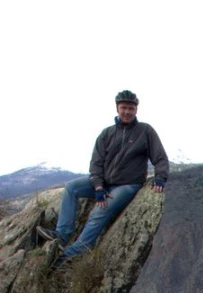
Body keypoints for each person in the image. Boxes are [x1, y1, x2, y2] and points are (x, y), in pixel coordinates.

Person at [37, 90, 169, 262]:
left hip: (128, 185)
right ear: (117, 108)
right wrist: (98, 186)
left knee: (101, 208)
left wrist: (160, 178)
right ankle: (62, 234)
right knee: (71, 188)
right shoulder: (106, 134)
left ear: (136, 110)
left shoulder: (145, 131)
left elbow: (160, 158)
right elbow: (96, 164)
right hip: (104, 183)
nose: (127, 112)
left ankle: (75, 252)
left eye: (131, 108)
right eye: (123, 108)